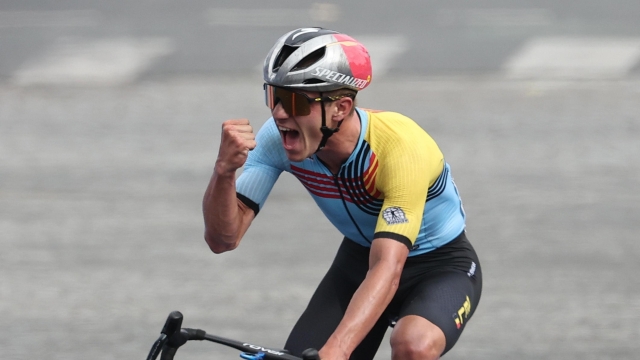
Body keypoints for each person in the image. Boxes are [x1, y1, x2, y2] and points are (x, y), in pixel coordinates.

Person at [202, 27, 482, 360]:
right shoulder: (276, 139)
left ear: (341, 107)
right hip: (358, 261)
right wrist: (224, 171)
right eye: (273, 97)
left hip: (438, 267)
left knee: (413, 345)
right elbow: (223, 239)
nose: (278, 113)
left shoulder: (401, 148)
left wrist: (337, 350)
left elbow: (387, 268)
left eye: (294, 102)